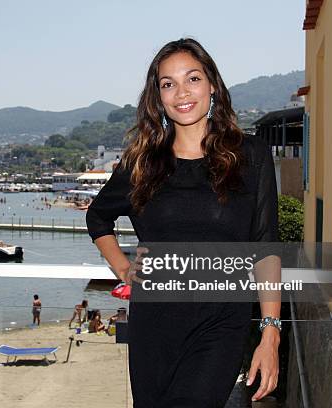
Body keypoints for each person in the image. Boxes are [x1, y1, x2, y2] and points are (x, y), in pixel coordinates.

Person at [86, 38, 281, 407]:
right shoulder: (142, 163)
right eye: (168, 84)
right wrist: (124, 269)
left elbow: (265, 246)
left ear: (212, 85)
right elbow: (98, 217)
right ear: (157, 97)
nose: (181, 93)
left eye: (192, 78)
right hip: (154, 327)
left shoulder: (251, 155)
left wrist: (270, 334)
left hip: (221, 323)